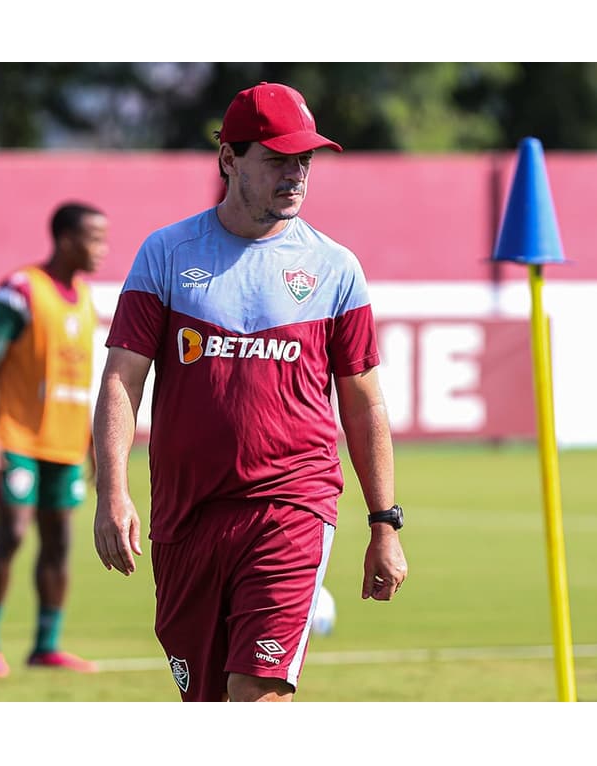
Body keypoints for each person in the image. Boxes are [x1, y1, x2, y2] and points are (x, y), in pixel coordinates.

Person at [93, 81, 409, 702]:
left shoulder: (335, 268)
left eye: (304, 161)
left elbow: (364, 401)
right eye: (277, 160)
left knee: (257, 696)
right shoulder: (165, 254)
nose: (295, 175)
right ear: (229, 160)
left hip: (291, 505)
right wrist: (113, 491)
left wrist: (384, 523)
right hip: (184, 518)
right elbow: (121, 379)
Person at [0, 202, 108, 677]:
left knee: (59, 543)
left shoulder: (87, 299)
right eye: (95, 238)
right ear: (67, 239)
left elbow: (81, 375)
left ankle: (46, 645)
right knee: (10, 533)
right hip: (16, 436)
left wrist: (93, 440)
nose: (103, 249)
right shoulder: (21, 289)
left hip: (66, 443)